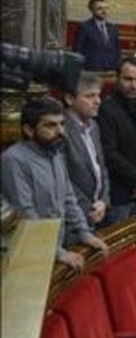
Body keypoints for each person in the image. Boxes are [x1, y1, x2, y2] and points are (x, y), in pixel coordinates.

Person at [2, 98, 109, 271]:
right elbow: (25, 214)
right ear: (29, 130)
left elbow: (69, 199)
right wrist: (59, 253)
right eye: (50, 125)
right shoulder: (14, 160)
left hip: (54, 246)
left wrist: (84, 233)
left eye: (62, 124)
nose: (60, 131)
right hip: (24, 255)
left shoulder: (56, 152)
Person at [98, 57, 136, 223]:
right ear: (117, 78)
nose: (134, 85)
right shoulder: (107, 109)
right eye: (128, 79)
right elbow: (109, 154)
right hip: (118, 195)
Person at [62, 73, 110, 229]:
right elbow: (63, 180)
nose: (97, 101)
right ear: (70, 99)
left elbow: (102, 167)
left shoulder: (94, 126)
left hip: (98, 210)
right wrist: (89, 208)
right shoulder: (60, 130)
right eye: (90, 96)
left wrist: (103, 200)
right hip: (74, 217)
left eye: (98, 95)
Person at [72, 0, 121, 71]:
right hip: (91, 69)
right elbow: (78, 50)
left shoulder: (113, 28)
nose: (104, 11)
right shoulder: (84, 27)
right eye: (100, 8)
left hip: (111, 69)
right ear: (92, 10)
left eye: (106, 8)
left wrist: (116, 65)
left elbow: (117, 50)